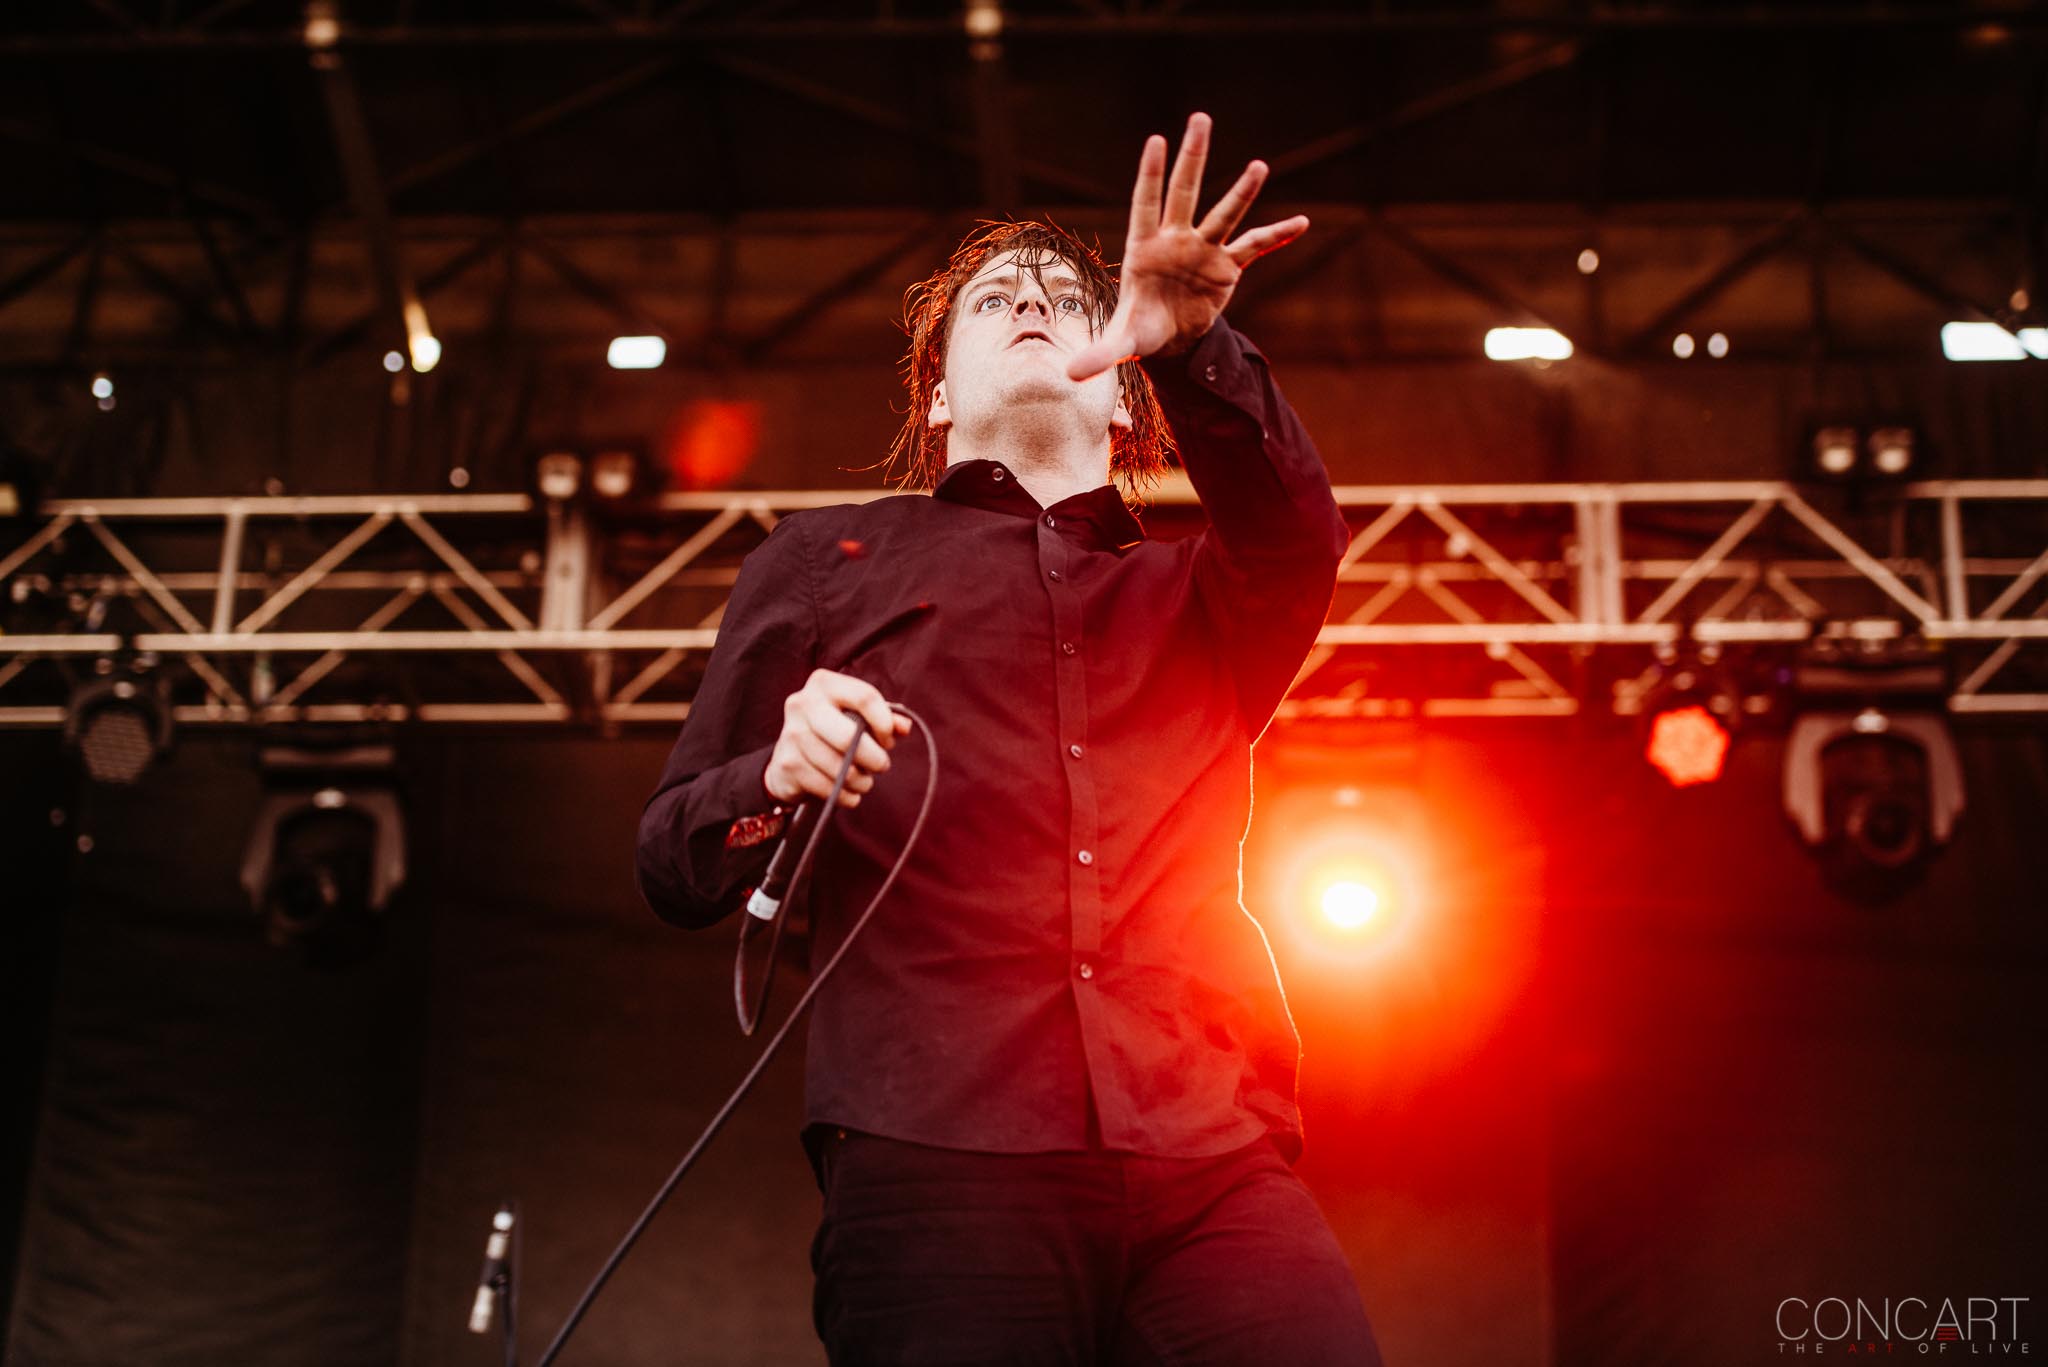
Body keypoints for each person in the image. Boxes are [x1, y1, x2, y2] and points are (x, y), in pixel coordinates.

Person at [636, 113, 1382, 1366]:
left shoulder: (1201, 593)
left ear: (1121, 379)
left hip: (1205, 1148)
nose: (1030, 303)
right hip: (936, 1150)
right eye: (992, 299)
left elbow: (1299, 533)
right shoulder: (823, 561)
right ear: (937, 391)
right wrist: (777, 773)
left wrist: (1196, 343)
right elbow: (674, 857)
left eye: (1059, 295)